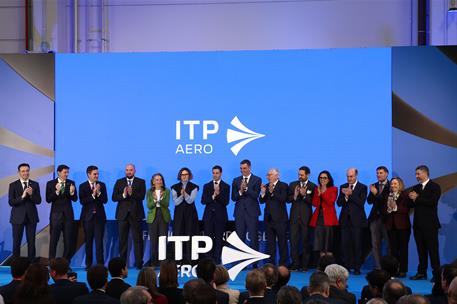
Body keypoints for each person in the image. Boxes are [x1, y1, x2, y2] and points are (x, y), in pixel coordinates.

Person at [408, 165, 441, 281]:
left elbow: (432, 203)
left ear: (425, 173)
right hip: (417, 225)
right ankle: (421, 272)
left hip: (430, 225)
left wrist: (417, 198)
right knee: (421, 250)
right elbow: (412, 205)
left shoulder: (435, 186)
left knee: (433, 250)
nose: (416, 176)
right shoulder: (416, 187)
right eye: (416, 174)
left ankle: (437, 275)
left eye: (418, 174)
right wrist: (411, 199)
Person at [112, 164, 146, 269]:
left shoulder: (141, 182)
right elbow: (114, 197)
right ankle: (122, 265)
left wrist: (132, 193)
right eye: (127, 170)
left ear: (135, 170)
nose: (128, 172)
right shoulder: (119, 181)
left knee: (138, 240)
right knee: (122, 240)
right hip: (122, 215)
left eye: (131, 170)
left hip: (136, 215)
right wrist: (123, 195)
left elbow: (142, 197)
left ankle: (139, 263)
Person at [336, 167, 368, 275]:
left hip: (357, 221)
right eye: (347, 176)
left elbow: (361, 202)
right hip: (345, 221)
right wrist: (345, 196)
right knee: (345, 245)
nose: (349, 178)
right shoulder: (342, 187)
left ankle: (357, 268)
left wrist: (351, 194)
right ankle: (346, 267)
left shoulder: (363, 187)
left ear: (356, 176)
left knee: (357, 244)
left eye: (351, 176)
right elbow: (339, 203)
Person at [8, 163, 41, 260]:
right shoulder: (13, 185)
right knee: (16, 242)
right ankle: (16, 265)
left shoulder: (35, 184)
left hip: (31, 217)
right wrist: (22, 197)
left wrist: (31, 195)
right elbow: (11, 202)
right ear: (19, 172)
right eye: (23, 171)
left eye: (27, 170)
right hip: (17, 218)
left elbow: (38, 201)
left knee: (31, 241)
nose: (25, 173)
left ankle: (32, 264)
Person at [46, 164, 78, 262]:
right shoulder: (51, 183)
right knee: (53, 241)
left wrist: (72, 193)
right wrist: (57, 191)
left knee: (68, 241)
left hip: (68, 216)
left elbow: (75, 199)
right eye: (65, 172)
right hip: (55, 216)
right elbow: (48, 199)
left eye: (68, 172)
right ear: (59, 172)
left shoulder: (71, 183)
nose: (67, 174)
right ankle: (51, 263)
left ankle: (66, 264)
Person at [79, 165, 108, 269]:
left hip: (99, 218)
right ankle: (88, 264)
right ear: (89, 174)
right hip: (87, 218)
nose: (97, 176)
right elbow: (82, 201)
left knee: (99, 242)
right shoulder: (83, 186)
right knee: (88, 242)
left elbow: (105, 200)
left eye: (97, 174)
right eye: (94, 174)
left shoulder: (102, 185)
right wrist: (93, 194)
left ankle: (100, 265)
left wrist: (99, 193)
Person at [288, 166, 316, 271]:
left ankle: (305, 265)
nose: (300, 176)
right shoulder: (292, 185)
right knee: (293, 241)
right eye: (299, 174)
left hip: (306, 218)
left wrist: (304, 196)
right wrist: (295, 196)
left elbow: (314, 202)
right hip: (294, 218)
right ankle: (295, 264)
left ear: (307, 175)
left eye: (302, 175)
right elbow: (288, 199)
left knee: (305, 242)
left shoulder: (313, 186)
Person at [260, 169, 289, 266]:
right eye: (267, 175)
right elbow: (261, 201)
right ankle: (271, 263)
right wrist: (263, 193)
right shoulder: (266, 186)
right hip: (269, 219)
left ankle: (283, 264)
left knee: (282, 242)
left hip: (280, 219)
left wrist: (273, 192)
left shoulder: (283, 185)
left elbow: (283, 199)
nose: (268, 177)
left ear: (277, 175)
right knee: (270, 243)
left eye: (270, 175)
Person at [232, 159, 262, 253]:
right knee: (240, 239)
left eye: (244, 168)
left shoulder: (257, 179)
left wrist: (246, 188)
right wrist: (240, 191)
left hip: (252, 213)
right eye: (241, 168)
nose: (242, 170)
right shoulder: (236, 180)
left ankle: (255, 264)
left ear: (249, 167)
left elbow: (256, 195)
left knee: (253, 238)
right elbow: (233, 198)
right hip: (239, 213)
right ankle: (240, 262)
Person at [201, 165, 230, 264]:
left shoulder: (226, 186)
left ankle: (217, 260)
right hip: (208, 217)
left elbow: (226, 202)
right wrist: (213, 196)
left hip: (220, 217)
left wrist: (218, 195)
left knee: (218, 239)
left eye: (217, 173)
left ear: (221, 173)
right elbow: (203, 201)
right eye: (213, 173)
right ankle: (208, 260)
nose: (215, 175)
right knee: (208, 239)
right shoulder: (207, 185)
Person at [382, 177, 410, 277]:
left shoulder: (405, 195)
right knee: (393, 250)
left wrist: (396, 207)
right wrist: (388, 209)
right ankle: (394, 270)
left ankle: (403, 270)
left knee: (403, 249)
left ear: (400, 185)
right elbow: (384, 210)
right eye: (392, 184)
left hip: (403, 226)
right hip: (391, 226)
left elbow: (407, 210)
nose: (393, 186)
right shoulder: (387, 196)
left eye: (395, 184)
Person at [171, 167, 199, 264]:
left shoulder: (194, 187)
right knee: (178, 235)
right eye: (182, 174)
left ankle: (190, 260)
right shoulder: (174, 187)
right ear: (180, 176)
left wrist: (185, 195)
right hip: (179, 214)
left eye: (186, 174)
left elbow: (190, 200)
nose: (184, 176)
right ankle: (178, 260)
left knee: (190, 235)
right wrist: (181, 196)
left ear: (189, 175)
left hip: (190, 214)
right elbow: (176, 202)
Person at [310, 170, 338, 257]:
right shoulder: (316, 189)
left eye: (325, 178)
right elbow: (314, 204)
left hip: (328, 219)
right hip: (319, 218)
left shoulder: (333, 189)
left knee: (328, 243)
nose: (322, 179)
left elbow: (330, 202)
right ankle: (321, 264)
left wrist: (322, 193)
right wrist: (318, 193)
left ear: (328, 179)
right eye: (321, 178)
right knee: (320, 243)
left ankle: (329, 264)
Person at [367, 166, 390, 270]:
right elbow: (369, 201)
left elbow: (384, 201)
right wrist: (372, 193)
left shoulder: (392, 185)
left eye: (380, 173)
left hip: (387, 219)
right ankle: (378, 267)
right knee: (375, 244)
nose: (378, 175)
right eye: (377, 173)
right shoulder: (374, 185)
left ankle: (389, 267)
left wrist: (376, 193)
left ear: (386, 174)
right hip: (375, 218)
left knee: (388, 244)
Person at [146, 173, 170, 267]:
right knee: (153, 241)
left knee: (163, 240)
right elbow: (149, 205)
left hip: (163, 216)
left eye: (160, 179)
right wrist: (155, 200)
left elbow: (166, 204)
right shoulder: (149, 191)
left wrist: (160, 199)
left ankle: (163, 263)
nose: (159, 181)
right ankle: (153, 263)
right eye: (157, 180)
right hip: (153, 217)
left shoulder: (167, 191)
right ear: (153, 181)